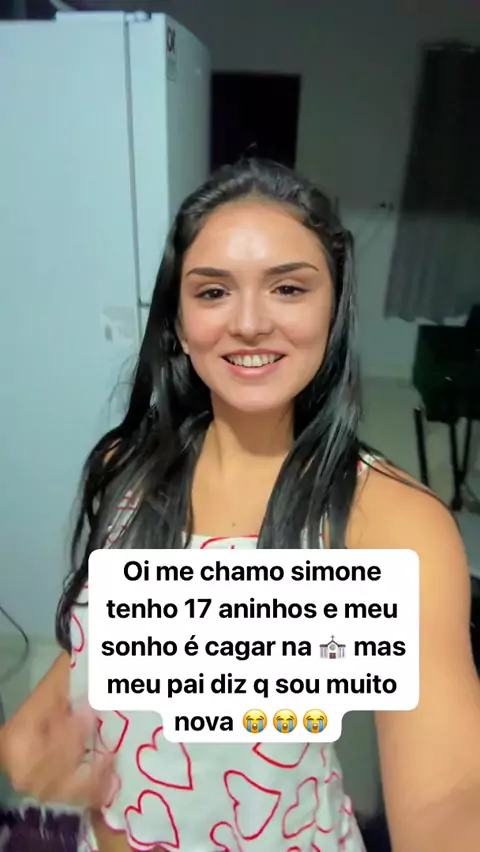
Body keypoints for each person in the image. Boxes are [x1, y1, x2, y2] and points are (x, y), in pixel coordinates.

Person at [1, 158, 480, 852]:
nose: (250, 323)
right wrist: (39, 716)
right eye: (213, 291)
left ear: (333, 310)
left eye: (288, 287)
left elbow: (449, 795)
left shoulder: (388, 522)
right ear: (178, 320)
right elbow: (112, 632)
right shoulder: (128, 470)